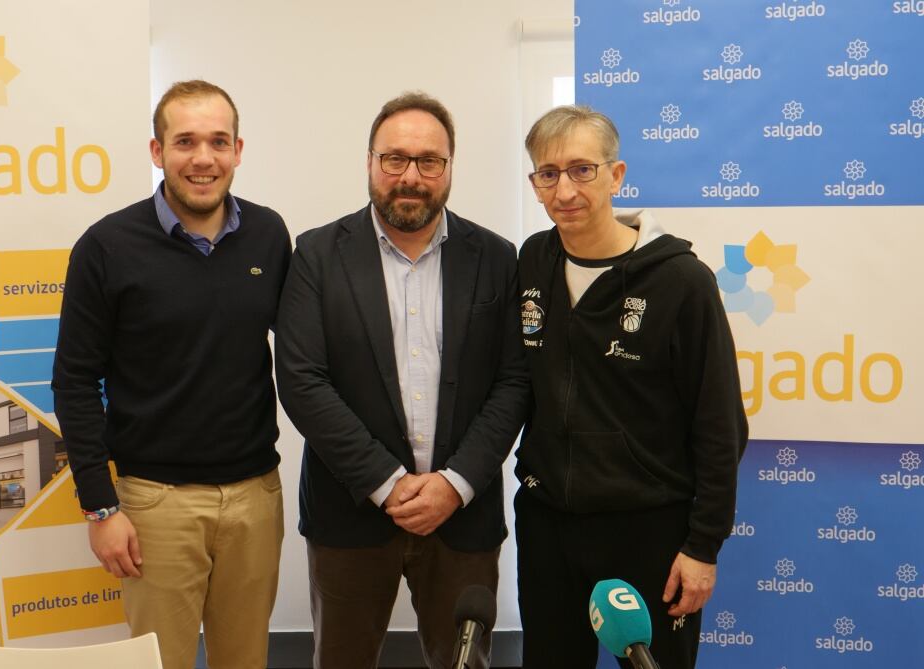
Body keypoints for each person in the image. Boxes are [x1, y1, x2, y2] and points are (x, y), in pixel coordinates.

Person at [275, 92, 528, 669]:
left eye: (428, 161)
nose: (410, 176)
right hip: (350, 509)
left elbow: (514, 382)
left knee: (464, 662)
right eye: (394, 159)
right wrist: (388, 483)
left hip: (463, 515)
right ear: (369, 162)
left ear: (449, 168)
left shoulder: (496, 257)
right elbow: (302, 380)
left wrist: (454, 483)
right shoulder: (316, 254)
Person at [52, 80, 290, 669]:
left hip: (256, 499)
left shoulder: (268, 234)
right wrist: (100, 508)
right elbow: (75, 382)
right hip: (153, 506)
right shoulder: (106, 247)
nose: (203, 158)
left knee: (246, 660)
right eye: (185, 141)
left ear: (238, 150)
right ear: (158, 152)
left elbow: (305, 355)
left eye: (218, 141)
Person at [514, 105, 748, 669]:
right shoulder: (533, 259)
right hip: (547, 523)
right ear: (535, 185)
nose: (564, 189)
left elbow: (720, 425)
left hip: (649, 532)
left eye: (581, 170)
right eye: (548, 173)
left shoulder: (681, 281)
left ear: (616, 176)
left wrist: (702, 547)